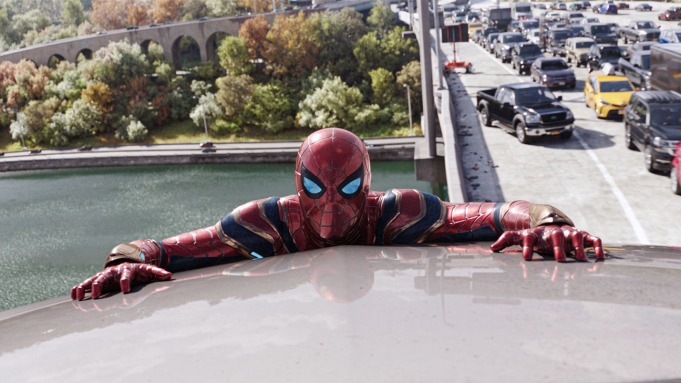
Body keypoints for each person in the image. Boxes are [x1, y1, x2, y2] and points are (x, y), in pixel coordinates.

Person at [71, 127, 604, 301]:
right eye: (314, 188)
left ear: (366, 185)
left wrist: (548, 223)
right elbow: (161, 249)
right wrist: (124, 259)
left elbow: (497, 212)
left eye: (347, 188)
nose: (330, 205)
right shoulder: (263, 220)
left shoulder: (399, 211)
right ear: (295, 185)